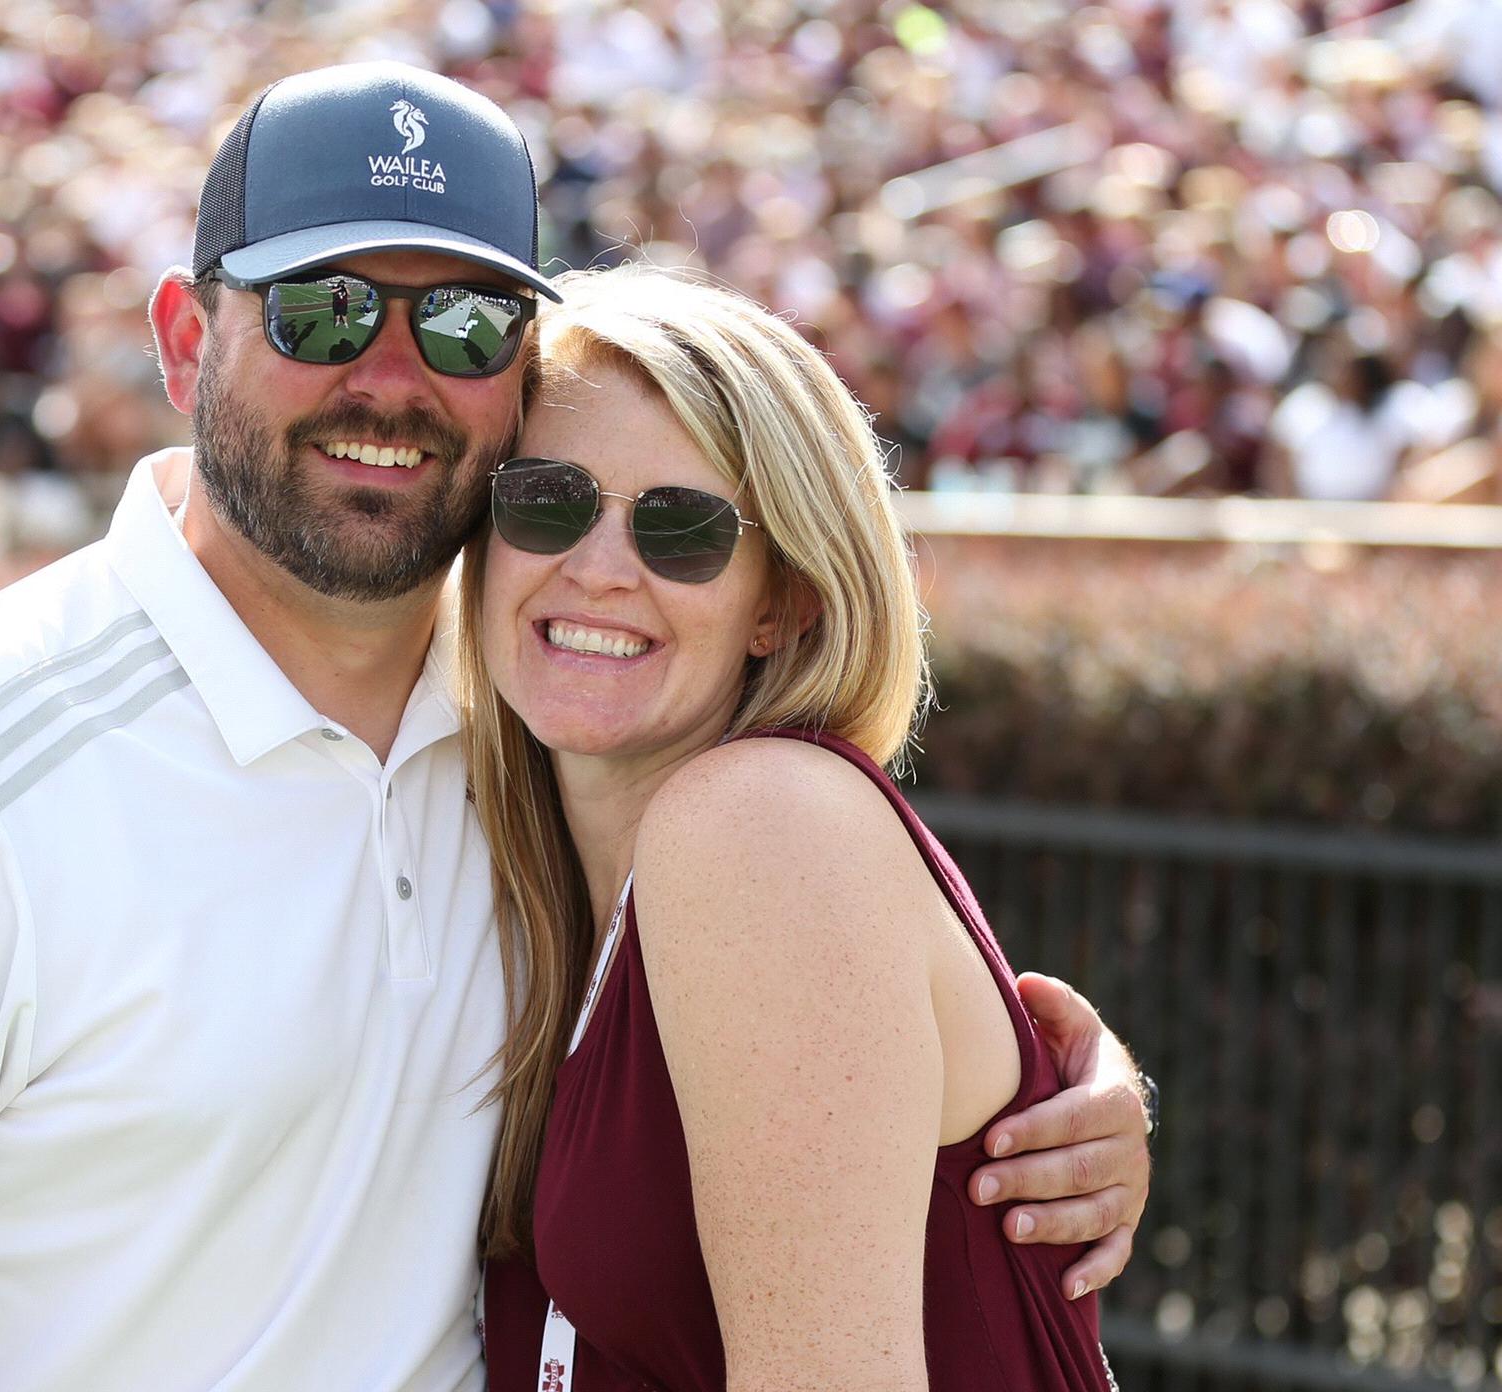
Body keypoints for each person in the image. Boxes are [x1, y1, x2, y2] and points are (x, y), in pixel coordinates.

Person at [0, 62, 1150, 1392]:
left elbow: (825, 1042)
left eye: (462, 322)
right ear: (184, 343)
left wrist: (1046, 1100)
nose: (390, 378)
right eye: (319, 309)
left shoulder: (533, 736)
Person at [467, 266, 1130, 1389]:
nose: (597, 569)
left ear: (781, 604)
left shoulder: (759, 828)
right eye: (545, 500)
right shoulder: (499, 853)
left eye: (681, 530)